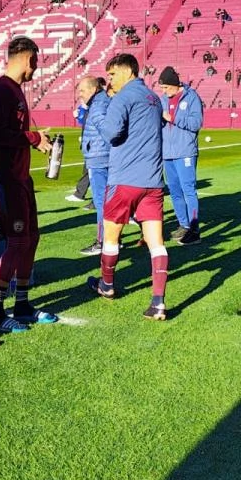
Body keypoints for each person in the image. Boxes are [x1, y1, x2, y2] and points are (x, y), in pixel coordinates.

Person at [88, 53, 170, 320]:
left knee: (111, 237)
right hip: (153, 181)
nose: (110, 80)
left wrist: (98, 119)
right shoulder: (154, 98)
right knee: (156, 243)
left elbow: (112, 133)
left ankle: (107, 285)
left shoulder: (123, 98)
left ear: (126, 71)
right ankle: (158, 302)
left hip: (124, 179)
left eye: (112, 74)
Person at [0, 36, 58, 332]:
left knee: (31, 238)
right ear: (27, 59)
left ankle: (23, 304)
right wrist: (33, 138)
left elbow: (15, 135)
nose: (36, 70)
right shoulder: (1, 90)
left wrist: (35, 142)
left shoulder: (15, 90)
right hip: (8, 182)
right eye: (36, 63)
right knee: (15, 241)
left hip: (22, 179)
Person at [157, 66, 204, 244]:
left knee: (188, 190)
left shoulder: (191, 97)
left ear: (175, 85)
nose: (164, 91)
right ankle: (183, 225)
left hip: (185, 152)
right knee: (175, 192)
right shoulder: (162, 99)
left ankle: (194, 230)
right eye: (162, 88)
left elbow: (196, 123)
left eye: (166, 88)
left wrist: (173, 118)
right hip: (167, 153)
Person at [76, 76, 110, 256]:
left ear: (93, 89)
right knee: (106, 201)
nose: (80, 95)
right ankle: (111, 240)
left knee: (101, 202)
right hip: (100, 157)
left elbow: (109, 131)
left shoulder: (98, 106)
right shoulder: (100, 102)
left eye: (82, 90)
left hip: (100, 159)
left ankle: (103, 241)